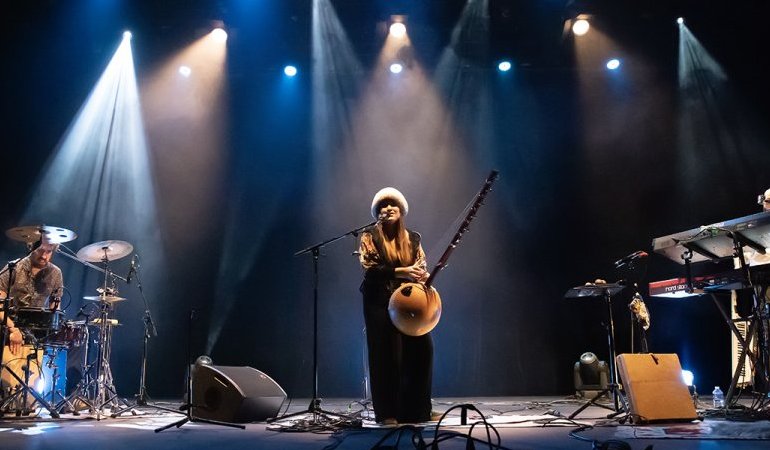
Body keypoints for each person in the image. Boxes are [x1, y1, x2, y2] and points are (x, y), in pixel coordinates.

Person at [358, 187, 434, 425]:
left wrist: (421, 275)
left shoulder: (413, 238)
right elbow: (371, 270)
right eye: (383, 205)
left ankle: (418, 410)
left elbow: (419, 265)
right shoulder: (369, 235)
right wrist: (403, 271)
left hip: (407, 301)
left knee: (422, 349)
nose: (388, 208)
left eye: (393, 204)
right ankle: (387, 413)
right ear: (377, 212)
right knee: (385, 354)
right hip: (378, 300)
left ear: (401, 210)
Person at [0, 241, 64, 356]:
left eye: (49, 251)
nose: (44, 256)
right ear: (31, 247)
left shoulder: (56, 273)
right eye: (40, 250)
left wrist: (54, 328)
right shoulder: (14, 267)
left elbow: (55, 306)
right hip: (9, 328)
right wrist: (13, 330)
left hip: (37, 334)